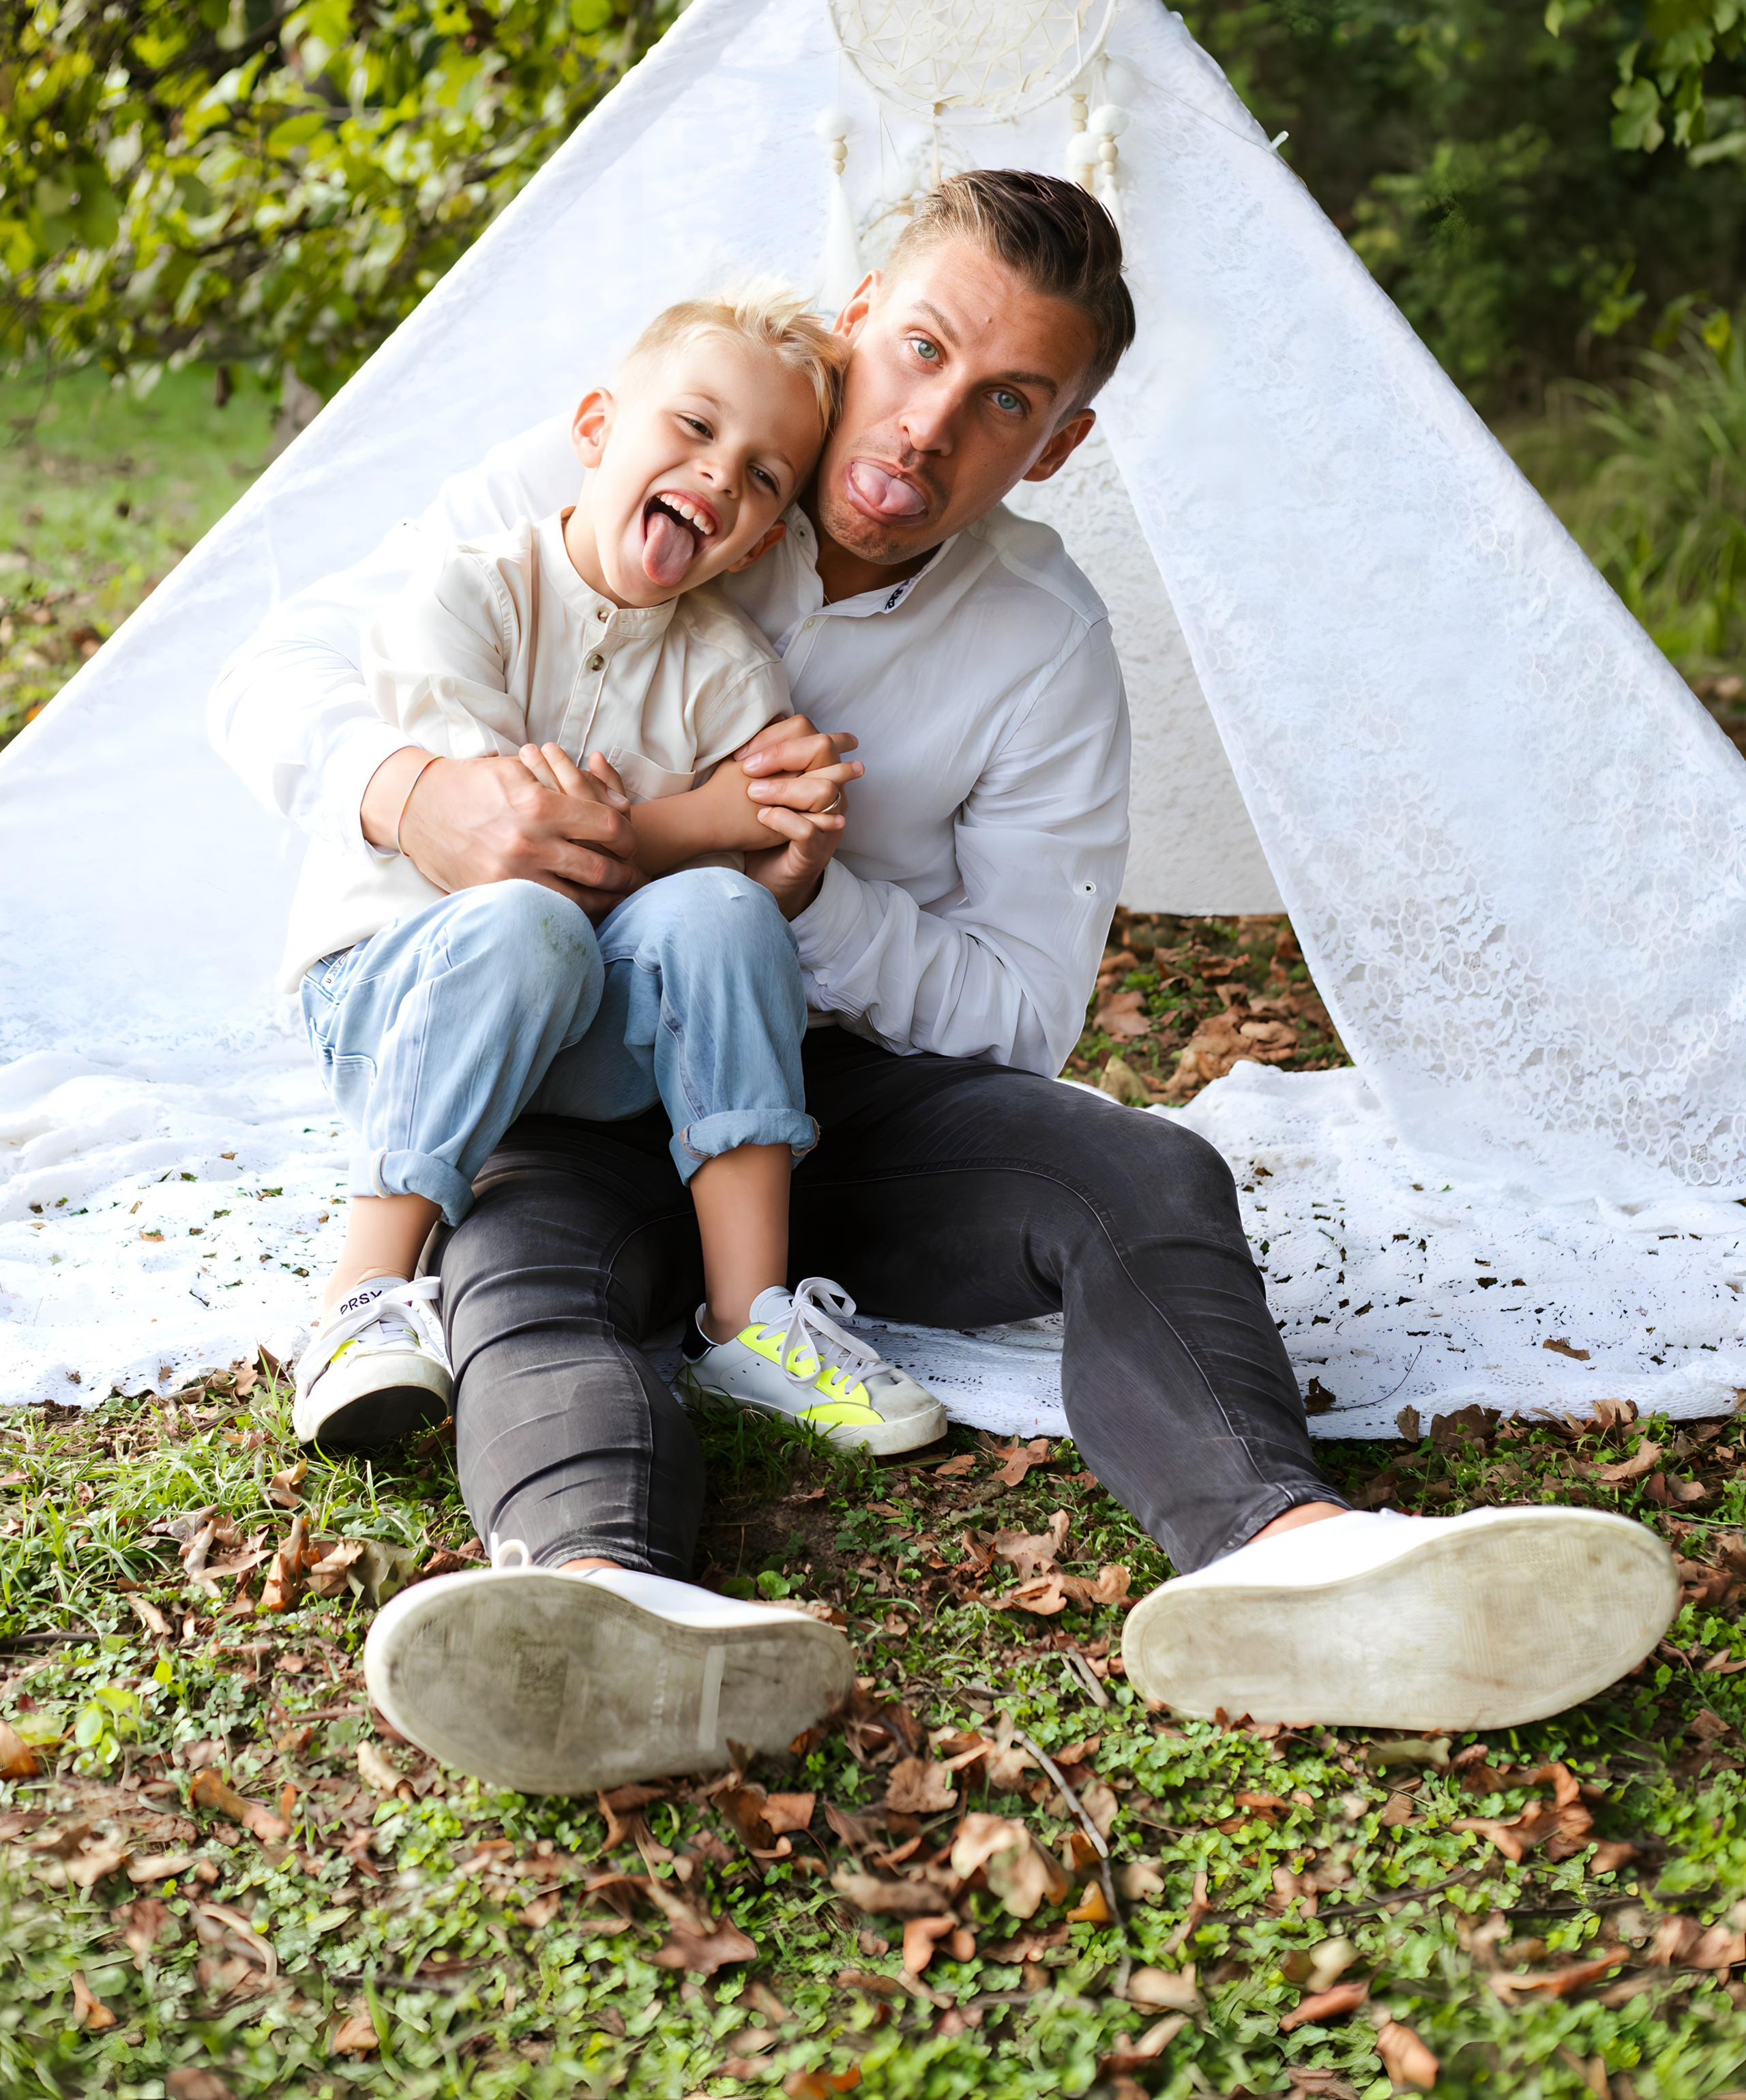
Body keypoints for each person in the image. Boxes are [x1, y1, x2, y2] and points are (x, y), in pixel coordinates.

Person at [212, 171, 1678, 1790]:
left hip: (828, 1102)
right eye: (915, 349)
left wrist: (807, 900)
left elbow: (1018, 1012)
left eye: (1001, 403)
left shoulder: (1041, 641)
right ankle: (592, 1600)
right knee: (524, 1261)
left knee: (1141, 1169)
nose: (923, 426)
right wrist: (415, 792)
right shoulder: (659, 445)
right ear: (856, 323)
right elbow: (276, 672)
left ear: (1054, 445)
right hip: (572, 1061)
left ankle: (1289, 1552)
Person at [279, 287, 944, 1464]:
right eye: (692, 427)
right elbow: (519, 850)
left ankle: (751, 1324)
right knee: (530, 917)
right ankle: (358, 1301)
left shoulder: (724, 664)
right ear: (596, 426)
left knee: (725, 909)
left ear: (765, 534)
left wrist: (780, 835)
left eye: (763, 477)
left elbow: (737, 872)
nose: (720, 476)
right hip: (396, 999)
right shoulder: (469, 593)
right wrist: (710, 810)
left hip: (585, 1045)